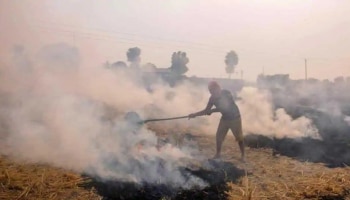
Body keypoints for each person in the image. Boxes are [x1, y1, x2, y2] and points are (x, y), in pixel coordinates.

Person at [188, 81, 245, 161]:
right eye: (210, 91)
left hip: (235, 117)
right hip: (225, 118)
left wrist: (211, 111)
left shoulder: (226, 93)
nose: (212, 92)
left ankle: (243, 156)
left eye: (213, 90)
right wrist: (194, 115)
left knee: (239, 138)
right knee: (219, 136)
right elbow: (206, 110)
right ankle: (218, 154)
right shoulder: (212, 99)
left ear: (218, 88)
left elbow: (225, 107)